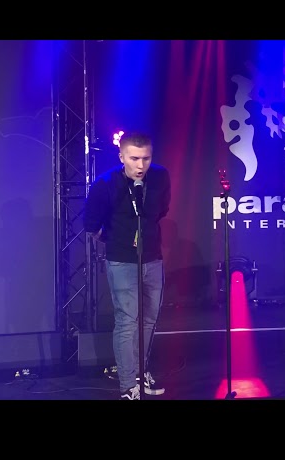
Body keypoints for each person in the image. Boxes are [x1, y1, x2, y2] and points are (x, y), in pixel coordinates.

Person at [83, 131, 171, 399]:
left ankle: (140, 373)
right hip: (122, 261)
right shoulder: (105, 184)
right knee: (127, 321)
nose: (141, 165)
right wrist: (116, 239)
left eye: (146, 158)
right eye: (134, 159)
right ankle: (128, 385)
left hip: (152, 257)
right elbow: (91, 225)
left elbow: (162, 211)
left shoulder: (160, 177)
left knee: (149, 319)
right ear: (121, 157)